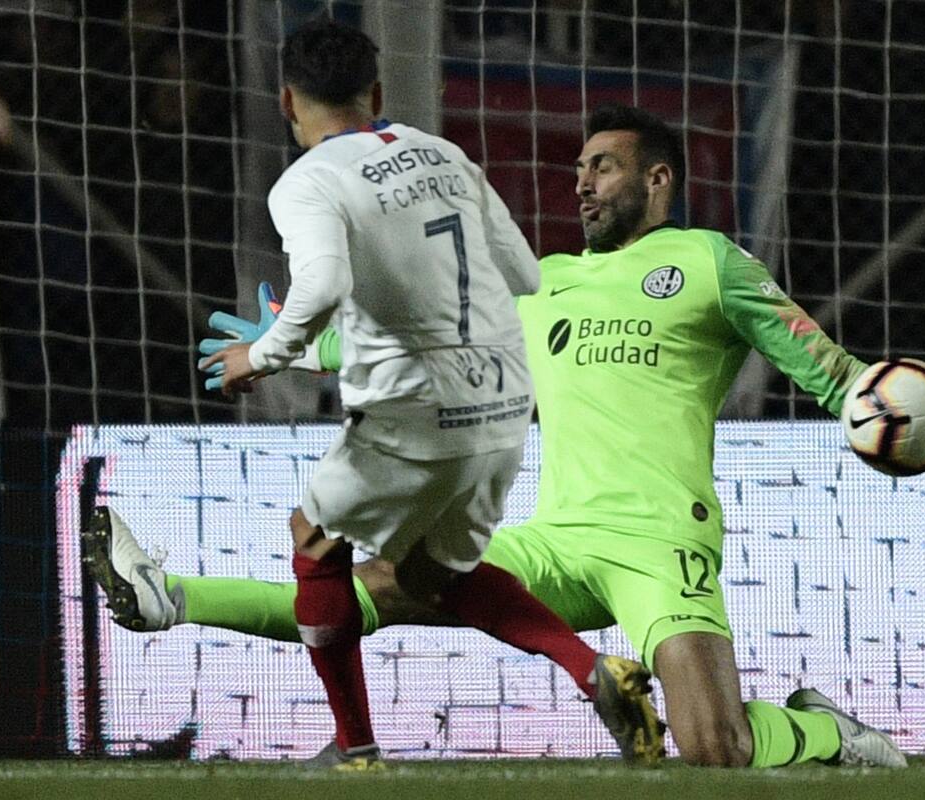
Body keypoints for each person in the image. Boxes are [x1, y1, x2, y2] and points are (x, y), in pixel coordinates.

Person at [90, 102, 925, 770]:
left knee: (711, 749)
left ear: (658, 178)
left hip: (663, 538)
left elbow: (837, 378)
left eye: (602, 167)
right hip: (557, 537)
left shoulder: (708, 260)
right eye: (577, 168)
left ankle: (826, 727)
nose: (580, 184)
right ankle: (169, 597)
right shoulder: (543, 285)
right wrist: (286, 345)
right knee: (381, 583)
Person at [84, 21, 663, 768]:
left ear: (287, 100)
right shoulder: (445, 153)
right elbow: (524, 274)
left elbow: (320, 285)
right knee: (432, 576)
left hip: (413, 408)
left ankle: (355, 746)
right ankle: (594, 671)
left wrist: (263, 355)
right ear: (379, 94)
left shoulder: (308, 180)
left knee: (314, 540)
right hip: (500, 410)